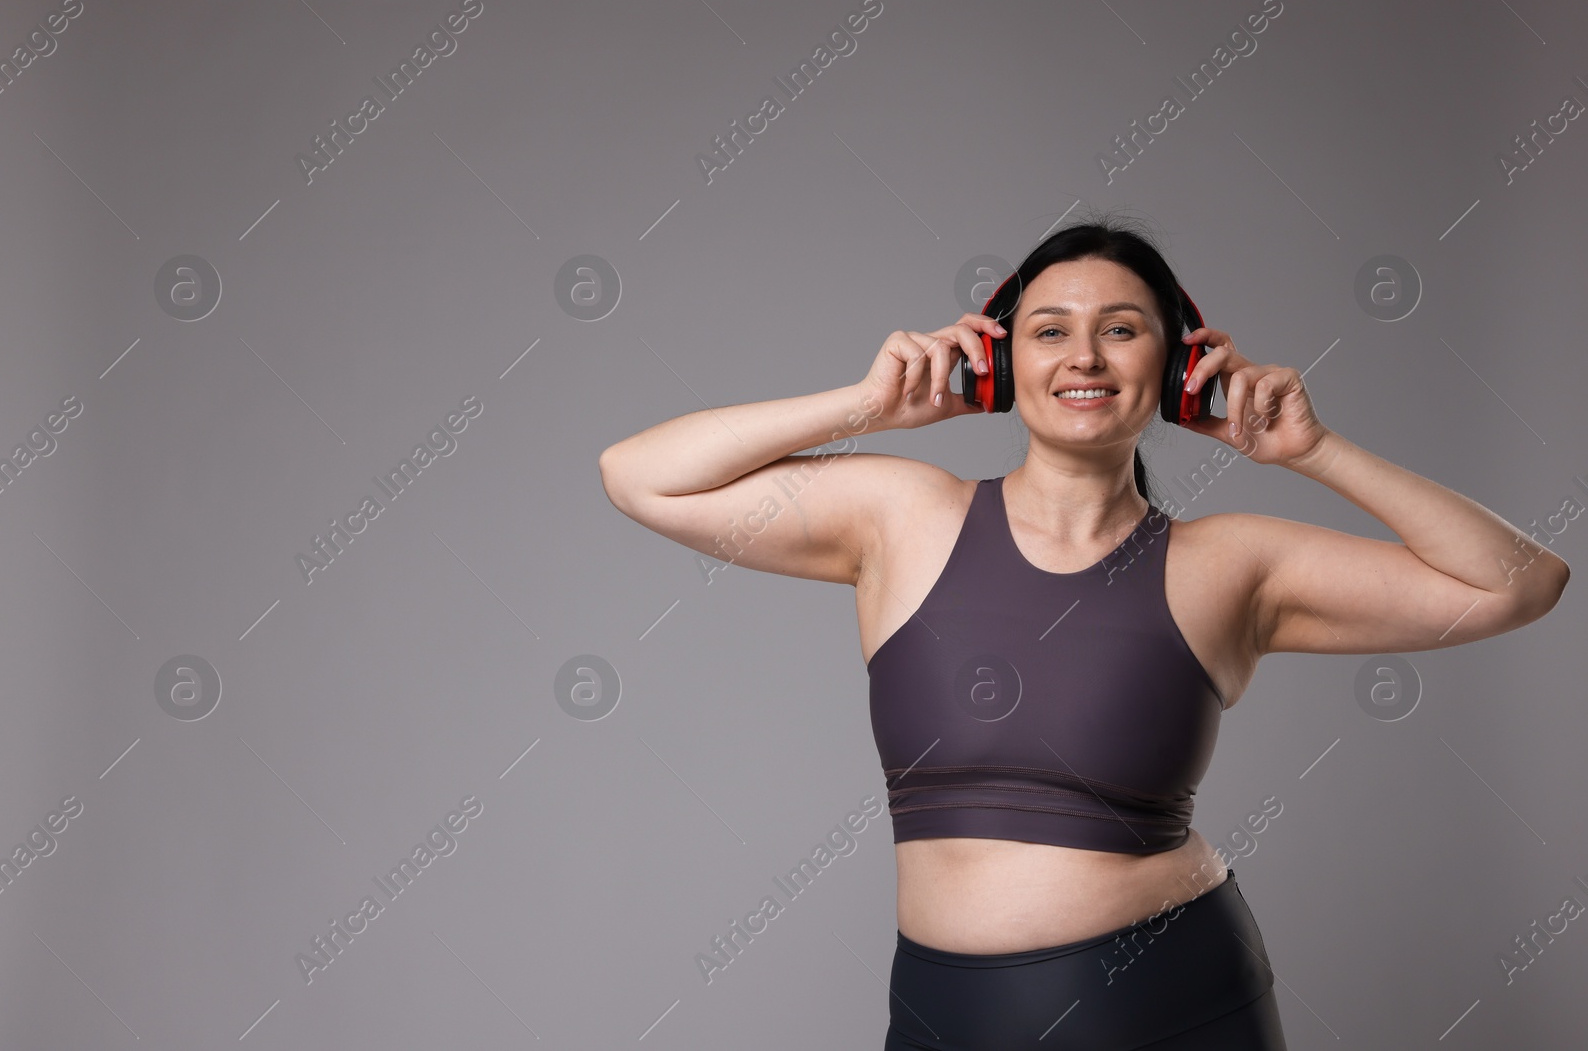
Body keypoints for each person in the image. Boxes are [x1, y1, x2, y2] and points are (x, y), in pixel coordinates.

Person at [597, 216, 1570, 1048]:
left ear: (1182, 363)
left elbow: (1522, 586)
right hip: (938, 1012)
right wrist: (868, 407)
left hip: (1165, 1006)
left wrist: (1315, 453)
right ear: (996, 360)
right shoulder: (899, 515)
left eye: (1122, 330)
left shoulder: (1229, 564)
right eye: (1048, 330)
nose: (1084, 357)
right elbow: (640, 475)